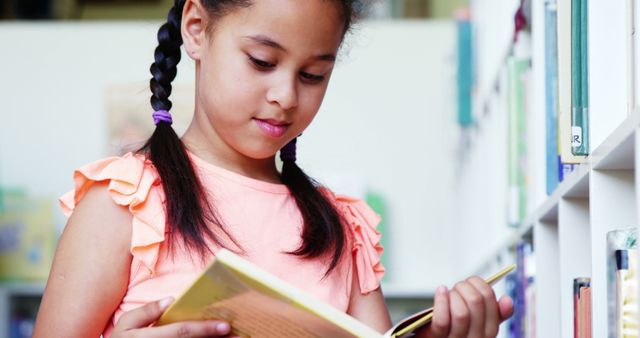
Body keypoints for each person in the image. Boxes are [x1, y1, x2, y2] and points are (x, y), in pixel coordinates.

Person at [33, 0, 514, 337]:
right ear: (196, 29)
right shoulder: (124, 202)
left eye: (312, 75)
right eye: (262, 61)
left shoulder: (343, 229)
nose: (286, 96)